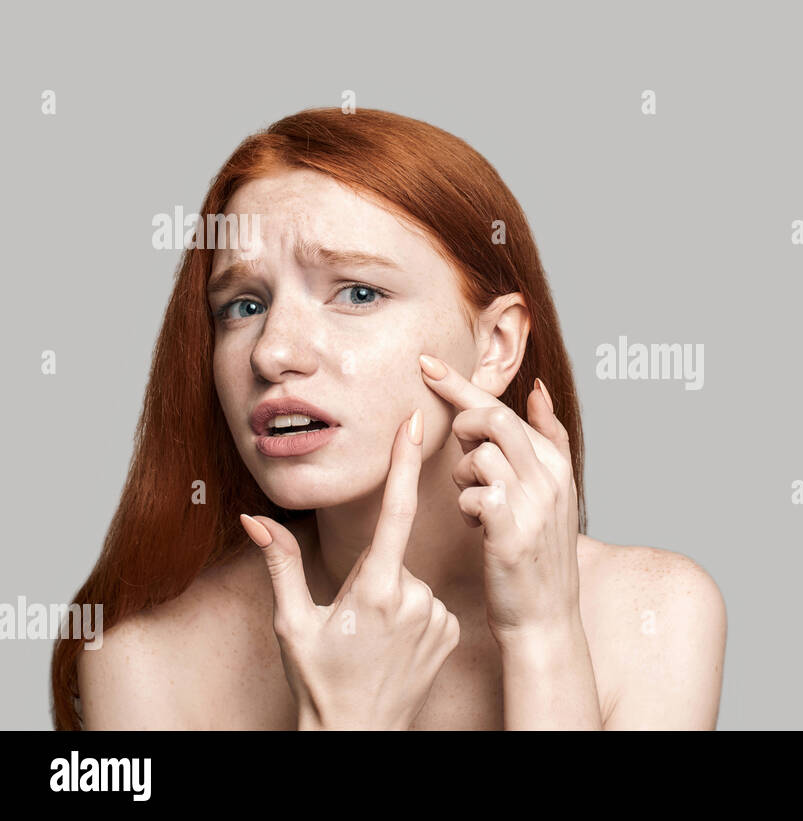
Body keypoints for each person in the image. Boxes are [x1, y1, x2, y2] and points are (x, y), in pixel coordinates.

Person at [51, 108, 726, 730]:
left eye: (358, 292)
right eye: (244, 305)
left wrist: (544, 637)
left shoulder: (655, 614)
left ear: (496, 346)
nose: (274, 351)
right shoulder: (144, 660)